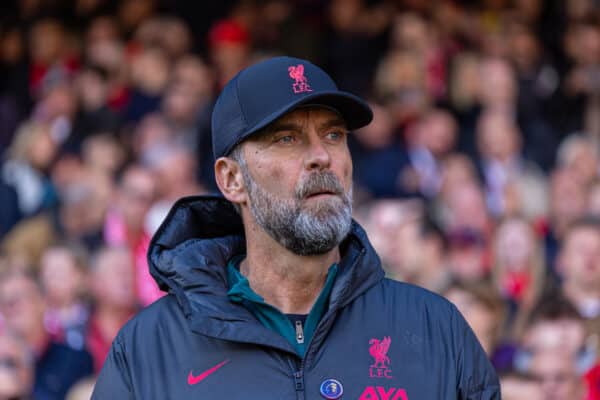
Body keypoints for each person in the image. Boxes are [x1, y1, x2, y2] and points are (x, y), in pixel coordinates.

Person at [92, 56, 499, 399]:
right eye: (287, 139)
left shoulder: (434, 328)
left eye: (334, 134)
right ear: (232, 179)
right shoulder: (149, 348)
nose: (321, 156)